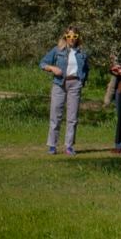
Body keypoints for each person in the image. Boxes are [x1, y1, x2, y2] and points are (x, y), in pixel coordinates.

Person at [39, 27, 94, 156]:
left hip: (75, 84)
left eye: (74, 36)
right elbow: (42, 63)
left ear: (78, 37)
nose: (72, 39)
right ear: (65, 37)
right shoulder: (57, 50)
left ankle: (69, 146)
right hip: (59, 84)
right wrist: (52, 68)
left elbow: (86, 69)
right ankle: (52, 145)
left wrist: (82, 81)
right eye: (69, 36)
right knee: (55, 115)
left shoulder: (82, 53)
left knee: (72, 117)